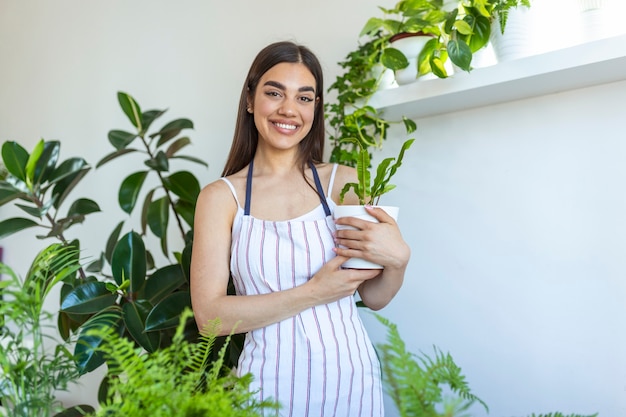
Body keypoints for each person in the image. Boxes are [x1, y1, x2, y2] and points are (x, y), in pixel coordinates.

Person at [190, 40, 410, 417]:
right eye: (274, 93)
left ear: (315, 107)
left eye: (304, 98)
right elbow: (210, 318)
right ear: (249, 99)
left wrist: (399, 259)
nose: (289, 109)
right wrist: (313, 292)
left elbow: (374, 296)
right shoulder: (220, 198)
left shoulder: (345, 182)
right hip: (263, 390)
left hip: (351, 384)